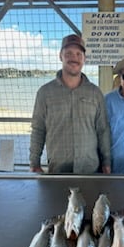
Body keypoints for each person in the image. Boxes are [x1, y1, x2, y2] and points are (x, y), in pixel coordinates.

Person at [29, 34, 111, 174]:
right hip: (57, 169)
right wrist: (34, 162)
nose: (74, 58)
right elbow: (38, 129)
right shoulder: (44, 93)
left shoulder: (95, 93)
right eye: (69, 53)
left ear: (84, 59)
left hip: (89, 169)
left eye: (79, 54)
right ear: (60, 56)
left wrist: (107, 162)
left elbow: (102, 130)